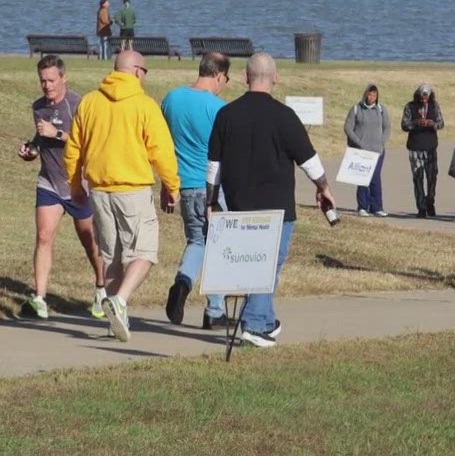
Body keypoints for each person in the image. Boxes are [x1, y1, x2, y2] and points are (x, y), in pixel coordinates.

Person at [206, 53, 333, 348]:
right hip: (277, 209)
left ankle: (266, 321)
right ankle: (253, 326)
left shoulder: (227, 115)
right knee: (266, 268)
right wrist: (323, 187)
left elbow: (213, 165)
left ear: (245, 77)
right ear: (276, 78)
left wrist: (211, 201)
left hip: (239, 205)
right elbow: (309, 160)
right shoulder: (284, 116)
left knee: (253, 266)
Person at [65, 49, 177, 343]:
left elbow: (74, 149)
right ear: (138, 71)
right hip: (133, 189)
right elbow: (161, 150)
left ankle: (117, 321)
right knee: (145, 252)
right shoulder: (144, 104)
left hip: (99, 191)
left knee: (112, 257)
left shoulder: (90, 102)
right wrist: (172, 185)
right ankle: (121, 301)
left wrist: (76, 186)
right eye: (146, 72)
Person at [17, 55, 107, 320]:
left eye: (52, 80)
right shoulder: (38, 107)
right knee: (44, 237)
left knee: (90, 241)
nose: (47, 86)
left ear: (64, 78)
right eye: (43, 81)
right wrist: (31, 150)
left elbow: (89, 145)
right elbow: (40, 138)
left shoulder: (78, 105)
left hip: (78, 184)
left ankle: (102, 290)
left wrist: (55, 134)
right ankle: (40, 298)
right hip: (49, 182)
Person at [162, 53, 230, 329]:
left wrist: (167, 184)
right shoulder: (218, 108)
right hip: (213, 187)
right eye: (226, 80)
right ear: (218, 75)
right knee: (220, 249)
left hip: (185, 185)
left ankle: (182, 282)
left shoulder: (172, 99)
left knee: (197, 242)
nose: (224, 85)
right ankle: (215, 310)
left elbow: (163, 142)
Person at [345, 84, 388, 217]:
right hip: (361, 150)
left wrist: (382, 141)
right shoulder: (356, 109)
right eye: (370, 94)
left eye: (374, 95)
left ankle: (377, 207)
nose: (372, 97)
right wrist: (358, 142)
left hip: (377, 150)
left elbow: (388, 127)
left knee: (375, 178)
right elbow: (348, 128)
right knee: (363, 179)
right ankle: (362, 206)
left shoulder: (381, 110)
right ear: (366, 95)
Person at [401, 84, 443, 219]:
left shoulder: (434, 106)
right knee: (418, 178)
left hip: (430, 147)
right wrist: (416, 123)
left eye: (427, 97)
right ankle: (421, 207)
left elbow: (441, 123)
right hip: (415, 147)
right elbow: (404, 125)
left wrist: (432, 124)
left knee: (432, 177)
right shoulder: (410, 106)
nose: (424, 99)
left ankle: (430, 201)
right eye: (422, 96)